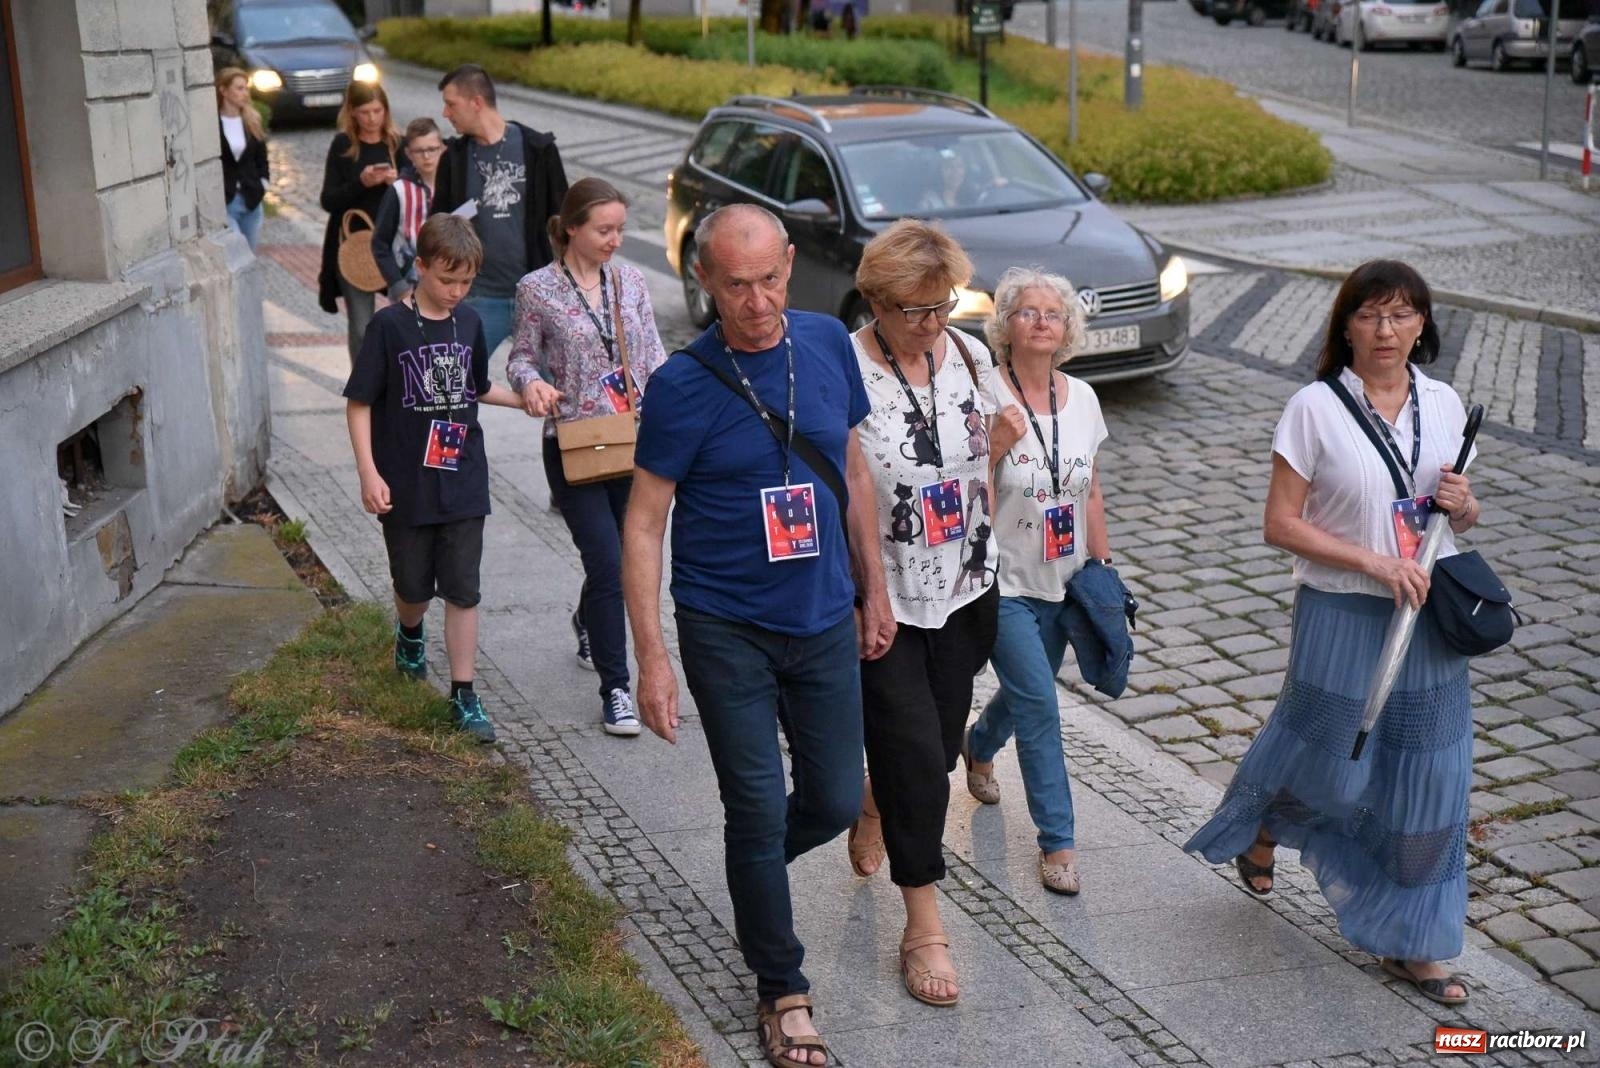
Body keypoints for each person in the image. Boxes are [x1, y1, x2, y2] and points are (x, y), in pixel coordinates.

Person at [622, 204, 894, 1067]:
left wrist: (871, 588)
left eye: (771, 278)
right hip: (724, 623)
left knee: (828, 797)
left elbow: (850, 466)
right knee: (752, 804)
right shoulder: (681, 385)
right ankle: (784, 990)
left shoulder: (824, 344)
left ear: (789, 266)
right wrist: (652, 655)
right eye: (736, 285)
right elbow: (643, 522)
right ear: (704, 279)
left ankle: (754, 875)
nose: (758, 301)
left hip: (821, 616)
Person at [1184, 260, 1480, 1007]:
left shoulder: (1444, 404)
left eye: (1403, 315)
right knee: (1334, 765)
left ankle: (1415, 941)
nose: (1387, 331)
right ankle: (1269, 824)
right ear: (1345, 325)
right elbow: (1280, 523)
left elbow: (1456, 517)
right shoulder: (1313, 409)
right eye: (1372, 316)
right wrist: (1373, 562)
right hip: (1343, 610)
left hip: (1425, 616)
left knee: (1429, 776)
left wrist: (1463, 502)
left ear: (1423, 325)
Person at [843, 220, 1025, 1007]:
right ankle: (924, 925)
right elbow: (846, 489)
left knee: (938, 749)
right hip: (885, 594)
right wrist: (864, 591)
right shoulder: (845, 369)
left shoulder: (972, 356)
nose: (932, 323)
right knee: (920, 752)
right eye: (914, 310)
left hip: (966, 586)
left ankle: (879, 794)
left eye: (941, 305)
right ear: (875, 301)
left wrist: (1000, 447)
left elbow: (982, 464)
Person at [342, 215, 528, 744]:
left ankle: (463, 694)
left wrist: (524, 401)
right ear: (418, 267)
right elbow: (359, 404)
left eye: (466, 282)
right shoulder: (388, 328)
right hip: (406, 480)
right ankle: (409, 630)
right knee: (413, 585)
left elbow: (477, 387)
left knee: (464, 588)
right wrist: (368, 473)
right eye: (447, 280)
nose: (456, 292)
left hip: (463, 476)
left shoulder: (468, 322)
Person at [963, 267, 1114, 897]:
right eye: (1027, 311)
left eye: (1054, 313)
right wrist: (993, 446)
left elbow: (1091, 488)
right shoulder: (982, 394)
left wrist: (1103, 566)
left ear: (1067, 329)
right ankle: (1058, 842)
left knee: (1029, 694)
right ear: (1005, 325)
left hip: (1066, 577)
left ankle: (978, 743)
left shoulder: (1082, 398)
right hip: (1003, 579)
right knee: (1042, 707)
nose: (1042, 321)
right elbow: (961, 488)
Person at [507, 178, 667, 737]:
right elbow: (521, 358)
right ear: (571, 227)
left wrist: (672, 413)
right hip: (573, 443)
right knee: (606, 564)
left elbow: (653, 355)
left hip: (635, 440)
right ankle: (617, 689)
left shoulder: (631, 283)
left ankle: (586, 619)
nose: (615, 240)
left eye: (621, 229)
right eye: (604, 229)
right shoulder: (537, 289)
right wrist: (531, 385)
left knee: (622, 563)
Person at [432, 64, 569, 356]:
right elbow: (437, 227)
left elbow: (567, 222)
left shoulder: (538, 149)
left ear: (476, 103)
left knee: (554, 392)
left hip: (536, 295)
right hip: (478, 296)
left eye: (450, 104)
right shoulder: (454, 159)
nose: (445, 113)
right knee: (457, 385)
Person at [319, 81, 401, 363]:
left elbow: (418, 193)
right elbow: (328, 200)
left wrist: (397, 183)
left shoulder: (396, 144)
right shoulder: (344, 146)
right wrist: (362, 183)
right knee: (361, 325)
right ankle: (363, 387)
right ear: (352, 112)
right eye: (365, 112)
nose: (372, 118)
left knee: (406, 319)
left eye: (377, 111)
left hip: (395, 245)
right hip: (355, 245)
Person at [371, 118, 444, 302]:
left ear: (442, 148)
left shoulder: (453, 185)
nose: (427, 156)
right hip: (408, 287)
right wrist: (397, 284)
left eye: (432, 149)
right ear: (408, 154)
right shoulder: (399, 191)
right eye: (419, 151)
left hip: (447, 287)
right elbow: (380, 243)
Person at [216, 67, 268, 253]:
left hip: (252, 198)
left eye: (246, 88)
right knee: (236, 253)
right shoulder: (213, 123)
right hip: (227, 201)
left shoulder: (252, 121)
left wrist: (264, 183)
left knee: (249, 255)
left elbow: (261, 159)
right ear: (223, 90)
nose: (245, 93)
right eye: (239, 88)